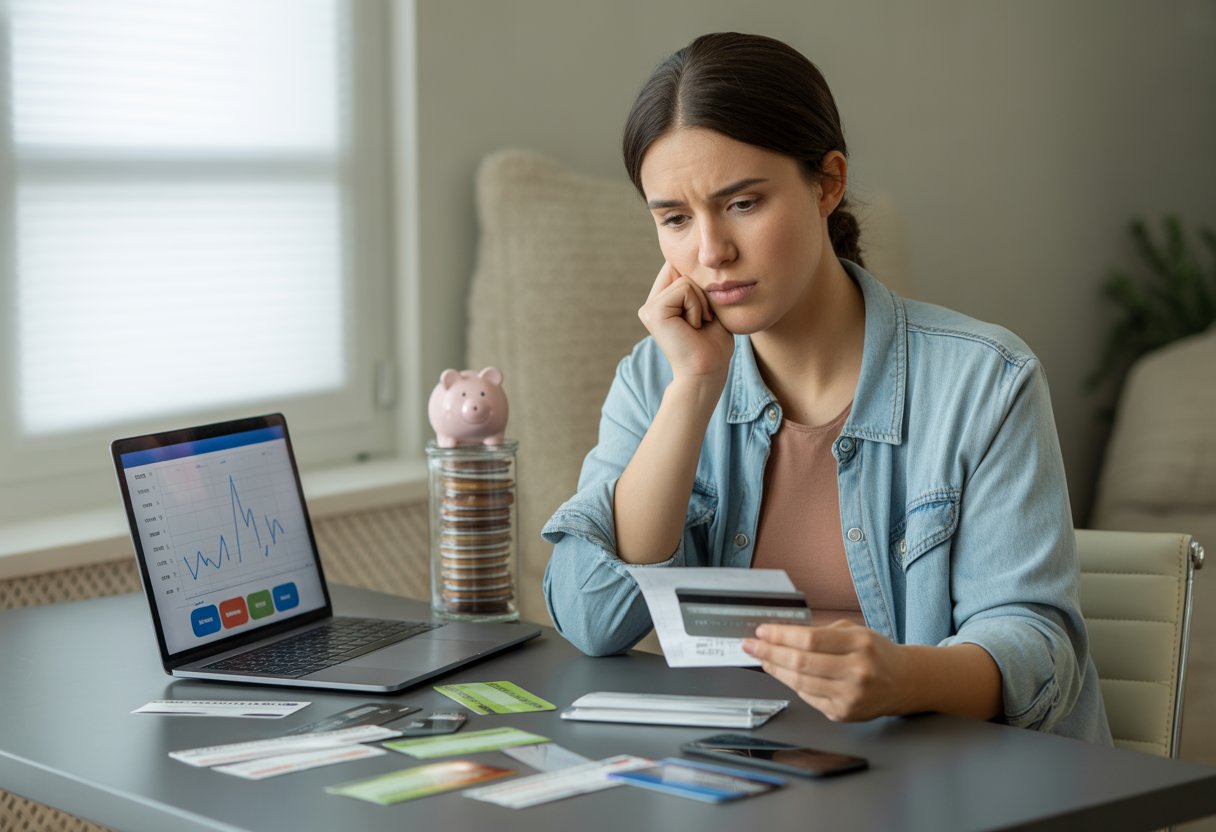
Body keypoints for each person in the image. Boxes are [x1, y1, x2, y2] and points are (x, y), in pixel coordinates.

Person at [541, 32, 1110, 743]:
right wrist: (692, 388)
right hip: (753, 775)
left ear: (828, 182)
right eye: (676, 219)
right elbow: (593, 619)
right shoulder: (657, 375)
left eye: (743, 203)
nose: (711, 252)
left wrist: (905, 678)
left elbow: (1041, 653)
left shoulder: (985, 381)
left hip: (950, 778)